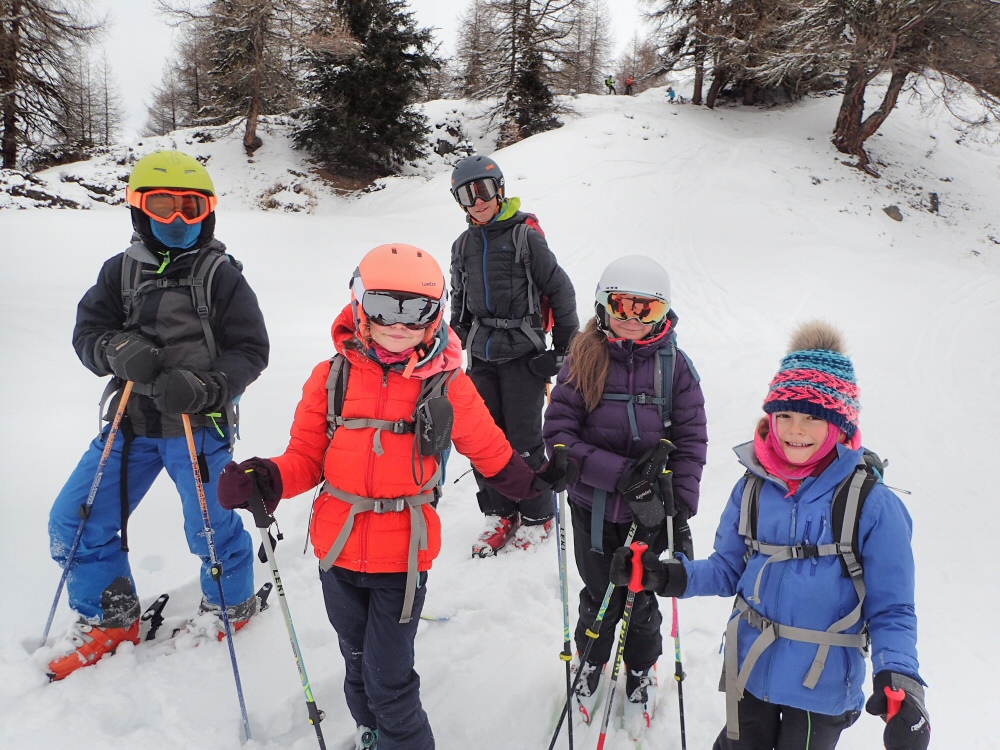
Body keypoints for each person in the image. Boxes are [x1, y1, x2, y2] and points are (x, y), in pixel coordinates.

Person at [216, 243, 573, 750]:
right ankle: (371, 729)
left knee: (389, 674)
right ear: (360, 303)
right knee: (357, 659)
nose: (400, 325)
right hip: (336, 550)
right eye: (386, 307)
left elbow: (491, 452)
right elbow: (306, 458)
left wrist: (536, 482)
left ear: (436, 314)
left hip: (402, 555)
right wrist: (264, 479)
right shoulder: (331, 377)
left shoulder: (447, 384)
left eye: (417, 311)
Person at [612, 321, 930, 750]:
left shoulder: (872, 505)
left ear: (840, 422)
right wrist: (665, 576)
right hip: (751, 669)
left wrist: (902, 682)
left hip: (822, 685)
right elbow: (728, 570)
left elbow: (893, 608)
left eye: (812, 417)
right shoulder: (754, 487)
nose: (795, 430)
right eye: (784, 415)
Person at [46, 150, 269, 681]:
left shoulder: (221, 276)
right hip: (130, 424)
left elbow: (250, 350)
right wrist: (114, 350)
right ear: (138, 209)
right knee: (73, 519)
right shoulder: (119, 271)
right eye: (162, 205)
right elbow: (87, 333)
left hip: (196, 428)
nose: (176, 220)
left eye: (190, 207)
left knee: (210, 529)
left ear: (207, 212)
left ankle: (231, 604)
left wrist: (205, 386)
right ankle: (111, 617)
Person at [543, 255, 707, 733]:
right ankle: (590, 663)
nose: (632, 319)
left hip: (651, 513)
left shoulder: (675, 367)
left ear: (664, 313)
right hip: (593, 508)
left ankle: (639, 669)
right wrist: (620, 476)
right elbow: (559, 435)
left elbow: (692, 440)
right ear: (602, 304)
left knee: (642, 598)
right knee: (601, 595)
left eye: (646, 310)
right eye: (622, 306)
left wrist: (679, 506)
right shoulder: (583, 357)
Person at [448, 154, 579, 556]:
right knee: (481, 440)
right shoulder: (463, 244)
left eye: (483, 190)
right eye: (466, 195)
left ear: (499, 189)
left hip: (524, 352)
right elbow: (459, 305)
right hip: (481, 355)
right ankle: (499, 512)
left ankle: (538, 514)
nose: (477, 201)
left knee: (523, 440)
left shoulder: (525, 236)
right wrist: (453, 348)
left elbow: (560, 289)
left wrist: (563, 352)